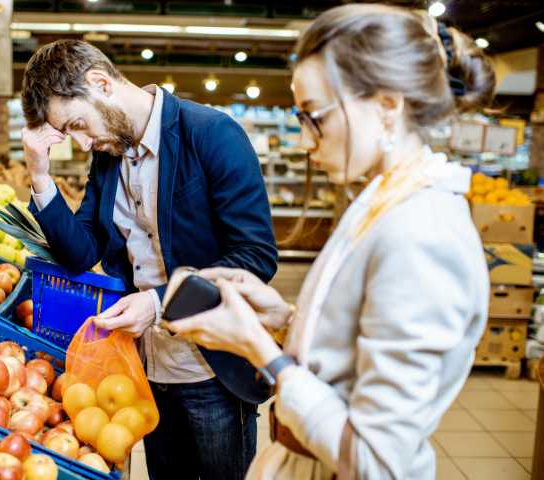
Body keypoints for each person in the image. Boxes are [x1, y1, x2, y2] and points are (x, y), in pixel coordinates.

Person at [165, 4, 495, 479]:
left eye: (314, 117)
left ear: (386, 107)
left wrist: (261, 350)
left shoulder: (421, 233)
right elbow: (361, 345)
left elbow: (376, 461)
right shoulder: (384, 200)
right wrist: (283, 320)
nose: (304, 140)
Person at [20, 39, 278, 479]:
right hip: (144, 370)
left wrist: (157, 303)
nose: (82, 143)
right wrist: (40, 177)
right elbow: (82, 252)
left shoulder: (211, 133)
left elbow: (255, 255)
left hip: (209, 367)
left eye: (78, 124)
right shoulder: (109, 156)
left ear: (100, 83)